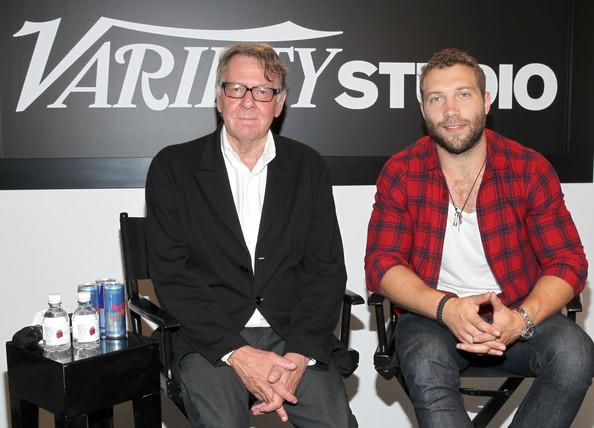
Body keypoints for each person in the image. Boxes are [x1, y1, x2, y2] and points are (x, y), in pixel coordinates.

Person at [365, 48, 594, 427]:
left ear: (486, 101)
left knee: (576, 354)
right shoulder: (401, 171)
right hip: (432, 317)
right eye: (437, 99)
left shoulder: (528, 168)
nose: (451, 111)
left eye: (463, 95)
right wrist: (447, 309)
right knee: (423, 362)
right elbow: (381, 263)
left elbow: (568, 261)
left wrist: (521, 318)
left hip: (517, 310)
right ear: (423, 111)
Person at [145, 43, 357, 428]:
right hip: (211, 339)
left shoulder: (308, 167)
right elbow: (172, 275)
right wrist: (237, 353)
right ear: (218, 98)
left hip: (293, 335)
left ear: (279, 103)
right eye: (236, 88)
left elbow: (325, 269)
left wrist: (298, 358)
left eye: (263, 91)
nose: (247, 102)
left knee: (336, 423)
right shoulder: (173, 168)